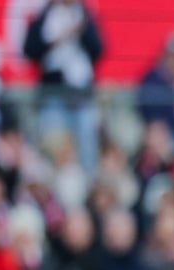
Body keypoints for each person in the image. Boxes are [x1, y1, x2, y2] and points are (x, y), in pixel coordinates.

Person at [22, 0, 104, 173]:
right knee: (53, 147)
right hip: (54, 95)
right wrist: (57, 40)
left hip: (80, 96)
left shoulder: (83, 14)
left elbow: (97, 48)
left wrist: (81, 30)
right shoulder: (46, 14)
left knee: (86, 148)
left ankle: (87, 187)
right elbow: (30, 49)